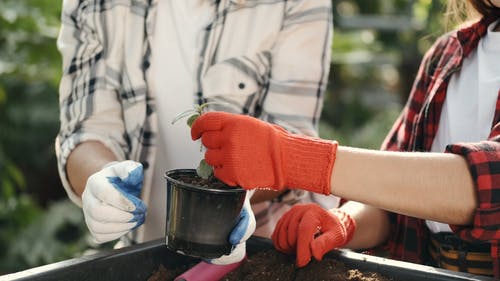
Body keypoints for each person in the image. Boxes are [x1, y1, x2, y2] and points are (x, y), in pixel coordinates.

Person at [190, 0, 500, 276]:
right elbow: (389, 202)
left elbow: (487, 184)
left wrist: (294, 158)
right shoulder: (449, 54)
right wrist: (343, 221)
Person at [55, 0, 334, 264]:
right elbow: (86, 128)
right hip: (144, 254)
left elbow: (296, 148)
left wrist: (237, 197)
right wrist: (101, 177)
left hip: (259, 255)